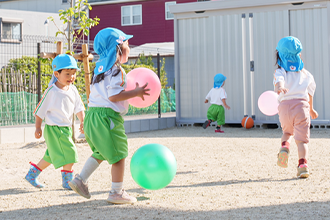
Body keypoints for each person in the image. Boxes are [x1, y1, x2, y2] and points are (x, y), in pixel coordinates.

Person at [69, 27, 150, 204]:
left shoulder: (99, 70)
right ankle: (116, 192)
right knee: (119, 155)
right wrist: (136, 92)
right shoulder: (116, 70)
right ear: (118, 48)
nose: (129, 47)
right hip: (107, 118)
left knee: (100, 151)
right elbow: (113, 96)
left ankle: (80, 180)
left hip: (93, 115)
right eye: (127, 44)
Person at [25, 54, 85, 189]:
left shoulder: (73, 89)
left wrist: (82, 122)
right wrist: (38, 128)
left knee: (51, 155)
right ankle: (67, 182)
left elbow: (79, 107)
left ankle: (31, 175)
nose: (71, 77)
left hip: (66, 128)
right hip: (55, 129)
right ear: (56, 74)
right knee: (70, 152)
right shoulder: (51, 91)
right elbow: (40, 110)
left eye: (74, 73)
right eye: (67, 74)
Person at [273, 36, 318, 178]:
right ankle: (303, 165)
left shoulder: (280, 71)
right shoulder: (306, 74)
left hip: (285, 106)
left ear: (279, 56)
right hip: (302, 107)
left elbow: (278, 83)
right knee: (302, 140)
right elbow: (310, 93)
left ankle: (285, 146)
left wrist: (280, 88)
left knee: (287, 132)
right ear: (299, 56)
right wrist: (311, 109)